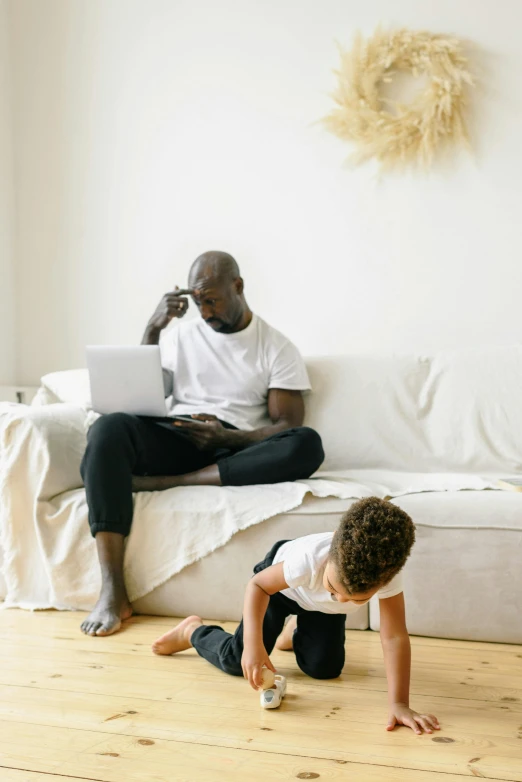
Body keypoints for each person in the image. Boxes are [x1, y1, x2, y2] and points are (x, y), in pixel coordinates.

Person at [80, 251, 324, 636]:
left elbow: (287, 425)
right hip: (179, 434)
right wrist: (152, 329)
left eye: (212, 299)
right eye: (197, 303)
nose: (205, 311)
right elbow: (136, 396)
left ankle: (171, 482)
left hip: (236, 445)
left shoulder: (275, 346)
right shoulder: (178, 337)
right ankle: (113, 590)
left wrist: (228, 436)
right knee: (107, 430)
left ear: (238, 287)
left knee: (307, 444)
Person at [152, 497, 441, 735]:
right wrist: (254, 646)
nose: (341, 599)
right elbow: (258, 586)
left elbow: (393, 636)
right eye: (334, 588)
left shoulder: (386, 577)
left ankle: (293, 631)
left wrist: (400, 703)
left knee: (324, 669)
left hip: (318, 608)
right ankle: (192, 631)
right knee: (236, 660)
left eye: (357, 599)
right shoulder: (307, 560)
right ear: (330, 557)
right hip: (277, 591)